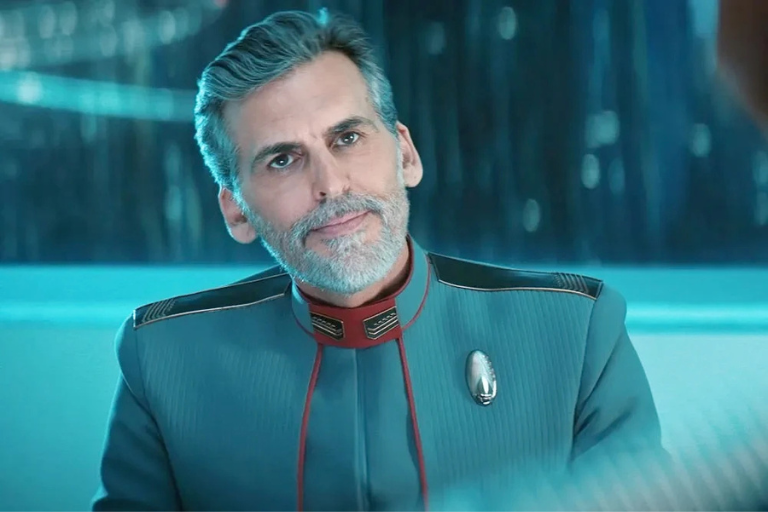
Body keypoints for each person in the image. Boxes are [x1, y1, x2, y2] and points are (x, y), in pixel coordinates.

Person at [91, 9, 666, 511]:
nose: (331, 184)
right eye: (283, 160)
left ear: (406, 154)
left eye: (347, 138)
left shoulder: (575, 333)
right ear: (236, 210)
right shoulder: (162, 359)